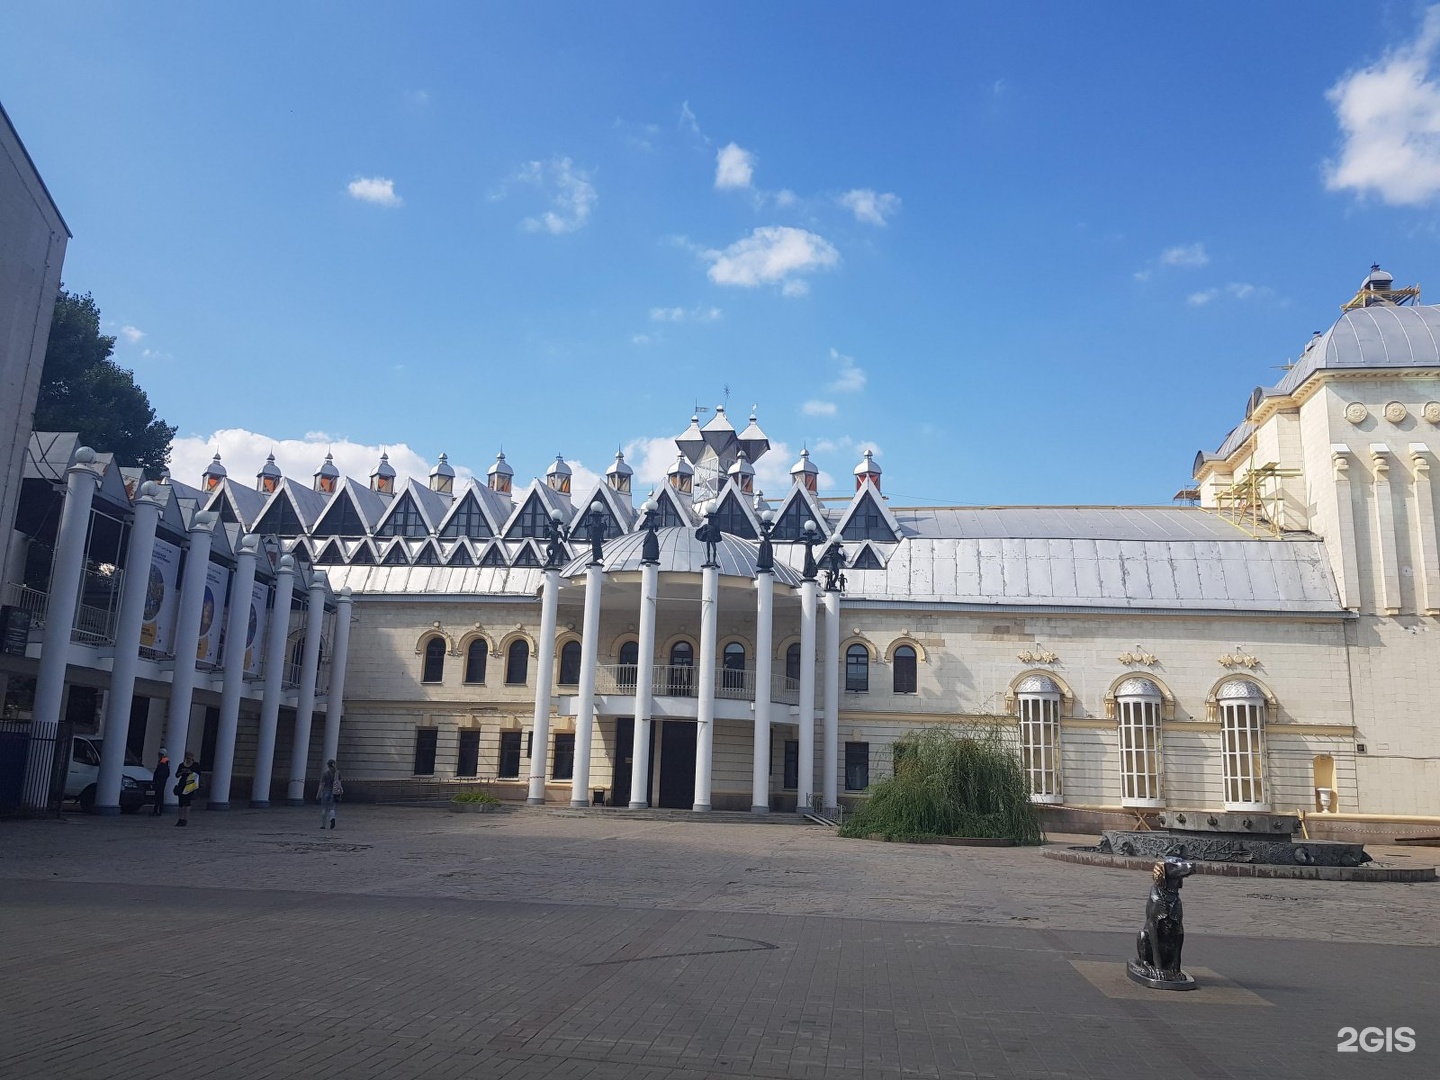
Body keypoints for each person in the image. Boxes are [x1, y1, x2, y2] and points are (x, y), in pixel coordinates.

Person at [173, 751, 199, 827]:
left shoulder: (195, 765)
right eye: (187, 758)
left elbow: (198, 774)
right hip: (182, 784)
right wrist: (182, 773)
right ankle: (180, 819)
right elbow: (177, 775)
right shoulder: (181, 765)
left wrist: (190, 772)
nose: (188, 759)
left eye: (190, 758)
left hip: (190, 785)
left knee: (187, 803)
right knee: (180, 803)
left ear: (192, 758)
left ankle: (185, 819)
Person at [318, 759, 342, 829]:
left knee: (324, 808)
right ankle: (332, 818)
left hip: (325, 792)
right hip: (334, 792)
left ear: (328, 765)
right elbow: (339, 783)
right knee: (332, 808)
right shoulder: (338, 773)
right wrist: (340, 791)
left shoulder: (325, 774)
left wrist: (318, 793)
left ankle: (323, 825)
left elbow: (321, 785)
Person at [151, 748, 170, 817]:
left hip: (160, 781)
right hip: (161, 781)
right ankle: (157, 810)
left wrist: (158, 780)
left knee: (159, 796)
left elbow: (161, 772)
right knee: (159, 796)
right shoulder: (164, 761)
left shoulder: (163, 761)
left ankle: (158, 810)